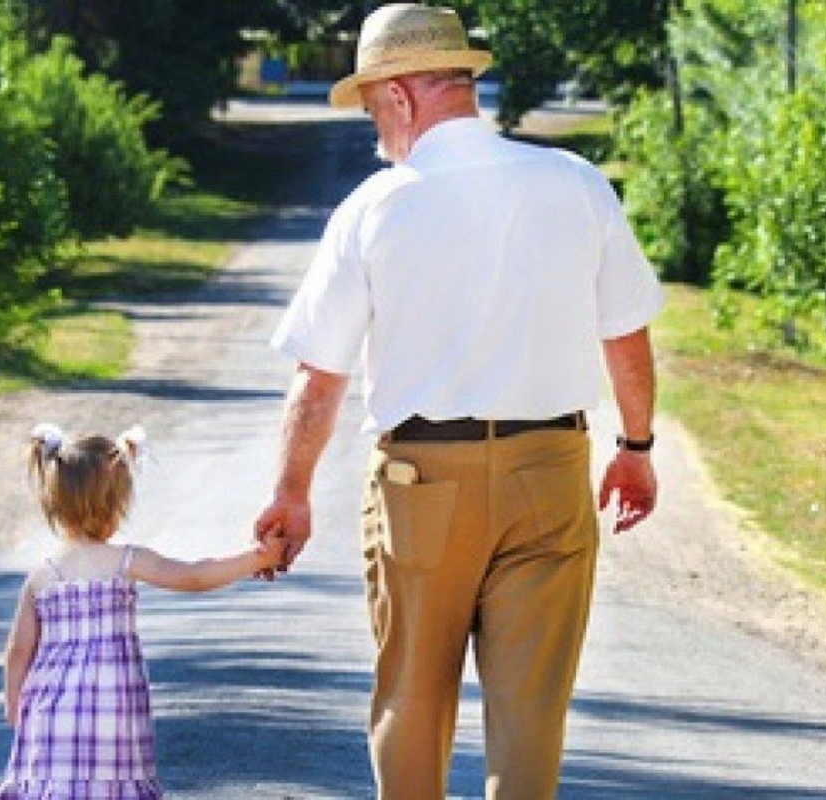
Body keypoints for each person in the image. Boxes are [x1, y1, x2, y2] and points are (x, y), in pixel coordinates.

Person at [254, 4, 664, 799]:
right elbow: (626, 336)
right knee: (532, 709)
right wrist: (637, 450)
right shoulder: (576, 183)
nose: (376, 130)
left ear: (401, 98)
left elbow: (319, 377)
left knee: (412, 696)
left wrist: (290, 495)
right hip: (550, 469)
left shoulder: (374, 209)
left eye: (375, 109)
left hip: (421, 484)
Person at [0, 423, 285, 800]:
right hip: (111, 715)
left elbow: (18, 649)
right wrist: (257, 558)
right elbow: (193, 576)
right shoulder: (124, 561)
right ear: (116, 504)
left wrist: (14, 704)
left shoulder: (42, 575)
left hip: (50, 718)